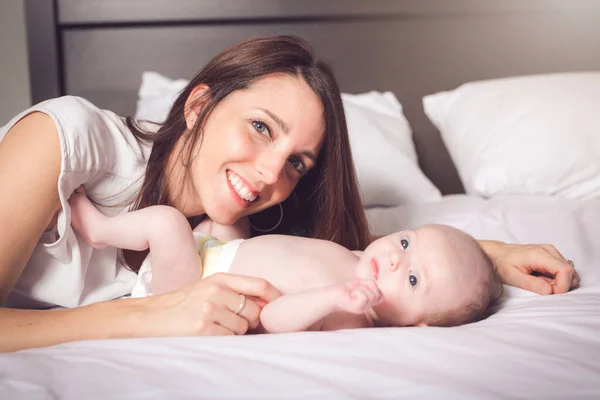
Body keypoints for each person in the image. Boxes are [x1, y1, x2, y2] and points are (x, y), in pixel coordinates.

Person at [0, 35, 579, 352]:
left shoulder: (255, 215)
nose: (268, 176)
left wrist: (489, 255)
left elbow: (354, 257)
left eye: (297, 163)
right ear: (199, 104)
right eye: (260, 127)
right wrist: (146, 316)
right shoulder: (69, 140)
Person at [69, 188, 504, 331]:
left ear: (418, 324)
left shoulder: (350, 312)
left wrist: (334, 298)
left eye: (412, 281)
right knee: (229, 220)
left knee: (167, 224)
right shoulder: (361, 258)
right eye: (406, 244)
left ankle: (98, 230)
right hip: (217, 255)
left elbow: (273, 317)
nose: (393, 260)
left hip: (187, 295)